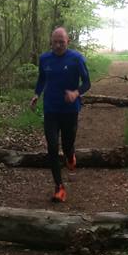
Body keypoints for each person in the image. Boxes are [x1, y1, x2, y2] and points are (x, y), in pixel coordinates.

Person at [30, 27, 91, 203]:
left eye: (61, 42)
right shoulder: (44, 59)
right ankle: (59, 187)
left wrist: (76, 93)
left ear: (68, 42)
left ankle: (70, 156)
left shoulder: (76, 58)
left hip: (70, 110)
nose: (58, 45)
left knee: (67, 145)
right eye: (55, 42)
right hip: (50, 109)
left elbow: (87, 83)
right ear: (51, 41)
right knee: (52, 146)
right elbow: (42, 79)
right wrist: (36, 94)